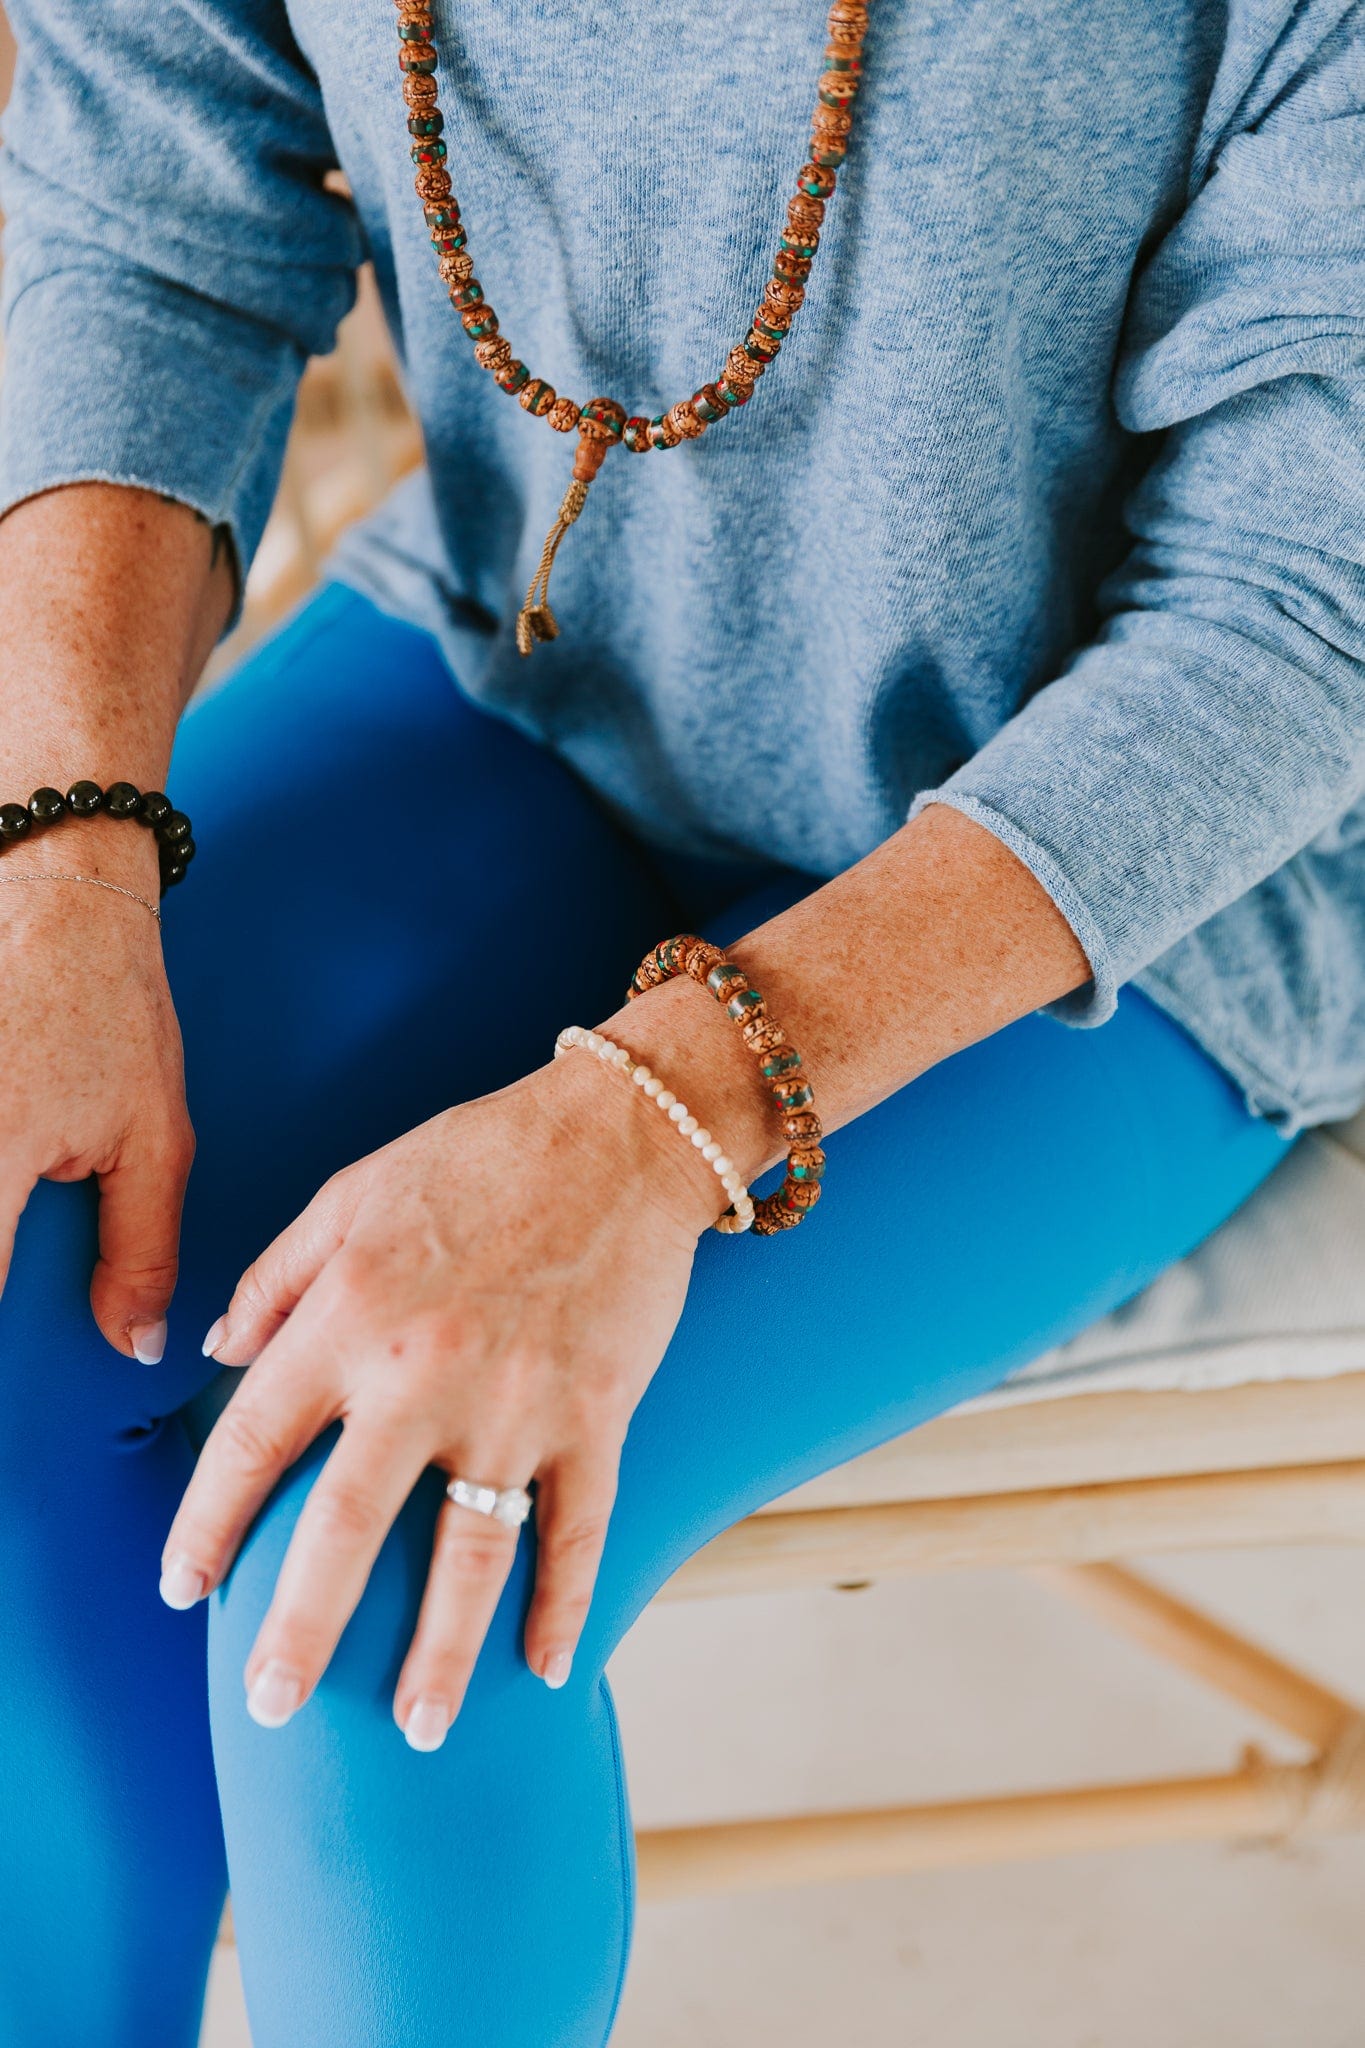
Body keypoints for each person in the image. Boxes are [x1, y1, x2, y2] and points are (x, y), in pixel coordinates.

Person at [0, 0, 1360, 2041]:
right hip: (528, 664)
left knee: (390, 1574)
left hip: (1143, 878)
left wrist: (646, 1123)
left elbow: (1290, 607)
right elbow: (151, 189)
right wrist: (63, 853)